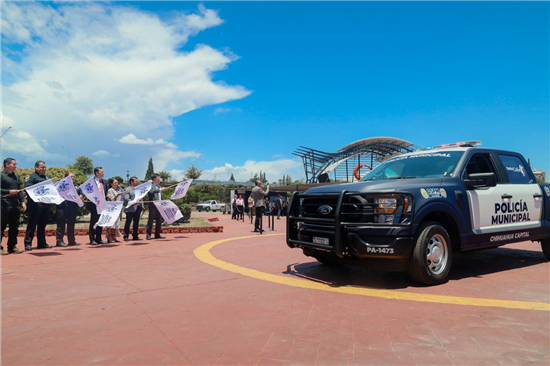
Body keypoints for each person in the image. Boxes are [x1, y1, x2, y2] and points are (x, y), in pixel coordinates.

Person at [24, 161, 53, 250]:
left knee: (42, 225)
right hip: (35, 205)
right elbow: (27, 189)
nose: (44, 169)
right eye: (42, 167)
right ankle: (28, 243)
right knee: (32, 224)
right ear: (36, 167)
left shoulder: (47, 178)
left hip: (45, 205)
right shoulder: (31, 177)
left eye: (45, 167)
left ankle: (42, 243)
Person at [0, 158, 26, 255]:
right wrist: (8, 192)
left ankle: (12, 246)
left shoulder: (16, 177)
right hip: (3, 203)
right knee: (1, 226)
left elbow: (19, 190)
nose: (16, 166)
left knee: (14, 226)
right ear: (7, 165)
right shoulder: (1, 176)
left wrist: (22, 202)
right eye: (14, 164)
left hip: (15, 204)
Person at [56, 172, 83, 247]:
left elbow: (80, 193)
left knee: (71, 224)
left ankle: (71, 241)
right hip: (63, 206)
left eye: (74, 176)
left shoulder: (76, 187)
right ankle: (59, 241)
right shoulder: (61, 185)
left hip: (73, 207)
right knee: (61, 224)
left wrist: (80, 196)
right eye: (71, 176)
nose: (73, 178)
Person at [87, 167, 108, 245]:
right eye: (101, 172)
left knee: (100, 222)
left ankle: (99, 238)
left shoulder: (105, 182)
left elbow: (105, 191)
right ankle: (92, 239)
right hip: (94, 204)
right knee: (93, 222)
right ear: (96, 173)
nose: (103, 173)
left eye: (103, 172)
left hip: (102, 204)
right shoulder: (91, 181)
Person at [146, 173, 166, 240]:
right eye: (158, 178)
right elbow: (150, 192)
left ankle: (157, 234)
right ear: (154, 179)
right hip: (153, 205)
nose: (159, 179)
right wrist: (160, 190)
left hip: (160, 205)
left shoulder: (159, 186)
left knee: (159, 220)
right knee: (151, 220)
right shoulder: (150, 186)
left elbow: (160, 196)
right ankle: (148, 235)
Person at [123, 176, 143, 242]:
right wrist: (134, 202)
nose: (137, 182)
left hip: (138, 208)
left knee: (136, 222)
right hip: (130, 208)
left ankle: (135, 235)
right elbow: (126, 198)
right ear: (131, 182)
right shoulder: (127, 189)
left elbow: (141, 197)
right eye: (136, 181)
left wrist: (141, 205)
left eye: (137, 181)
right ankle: (126, 236)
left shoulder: (138, 189)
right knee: (128, 222)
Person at [106, 178, 124, 243]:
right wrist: (117, 195)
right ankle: (109, 236)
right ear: (111, 184)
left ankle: (114, 236)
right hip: (111, 208)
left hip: (117, 208)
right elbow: (112, 199)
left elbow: (123, 192)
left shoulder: (118, 190)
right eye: (115, 183)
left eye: (117, 183)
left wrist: (120, 188)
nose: (117, 184)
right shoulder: (110, 190)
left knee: (115, 223)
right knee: (110, 223)